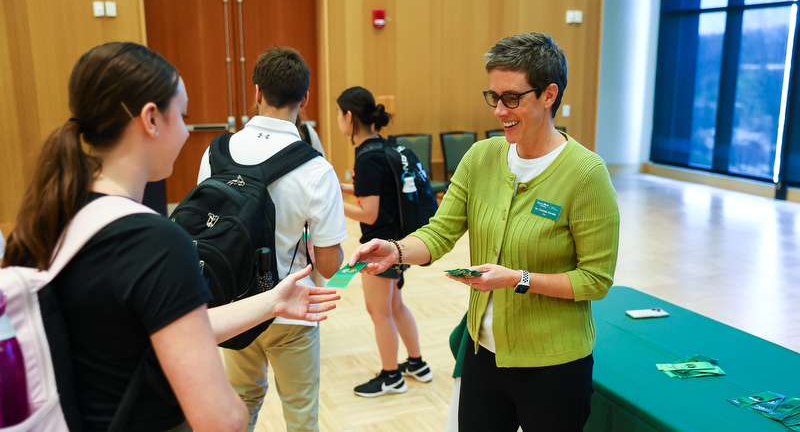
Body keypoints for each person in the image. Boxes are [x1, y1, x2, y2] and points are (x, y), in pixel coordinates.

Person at [0, 42, 341, 432]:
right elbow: (221, 418)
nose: (185, 130)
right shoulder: (156, 244)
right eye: (183, 115)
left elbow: (155, 327)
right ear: (151, 119)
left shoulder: (50, 217)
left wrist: (270, 302)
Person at [348, 33, 620, 431]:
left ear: (549, 94)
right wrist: (396, 250)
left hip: (554, 365)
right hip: (483, 353)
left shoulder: (586, 175)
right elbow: (440, 232)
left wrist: (517, 280)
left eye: (512, 98)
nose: (499, 110)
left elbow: (595, 280)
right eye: (493, 97)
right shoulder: (481, 157)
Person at [198, 47, 347, 432]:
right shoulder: (317, 168)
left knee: (240, 406)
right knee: (300, 414)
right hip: (292, 307)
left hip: (234, 304)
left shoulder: (216, 152)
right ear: (306, 98)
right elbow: (330, 266)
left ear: (257, 92)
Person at [336, 87, 432, 397]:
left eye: (339, 114)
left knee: (379, 312)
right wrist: (338, 187)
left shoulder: (366, 157)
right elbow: (376, 192)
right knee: (393, 305)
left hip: (381, 247)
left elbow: (369, 211)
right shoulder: (381, 147)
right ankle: (417, 363)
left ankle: (391, 376)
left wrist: (330, 205)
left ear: (349, 117)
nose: (338, 119)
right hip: (399, 241)